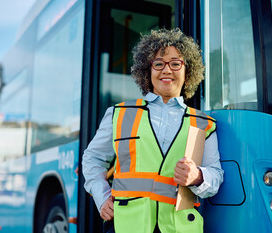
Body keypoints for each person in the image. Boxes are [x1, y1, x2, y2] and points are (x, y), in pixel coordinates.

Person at [82, 28, 223, 233]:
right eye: (158, 64)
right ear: (147, 70)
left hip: (179, 227)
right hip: (126, 225)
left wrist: (198, 176)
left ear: (187, 70)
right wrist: (102, 197)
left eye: (175, 63)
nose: (166, 70)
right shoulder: (119, 113)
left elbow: (216, 174)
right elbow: (92, 158)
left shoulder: (203, 123)